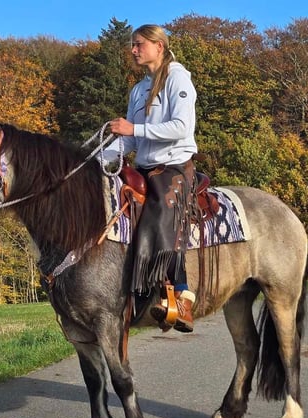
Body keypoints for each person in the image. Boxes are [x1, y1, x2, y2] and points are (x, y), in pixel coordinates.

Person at [105, 24, 198, 333]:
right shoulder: (138, 89)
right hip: (143, 167)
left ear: (159, 46)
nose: (133, 50)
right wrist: (90, 161)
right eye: (133, 45)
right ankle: (130, 289)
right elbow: (128, 143)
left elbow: (181, 127)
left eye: (139, 44)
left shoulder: (177, 78)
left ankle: (181, 296)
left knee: (160, 214)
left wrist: (135, 130)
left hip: (174, 166)